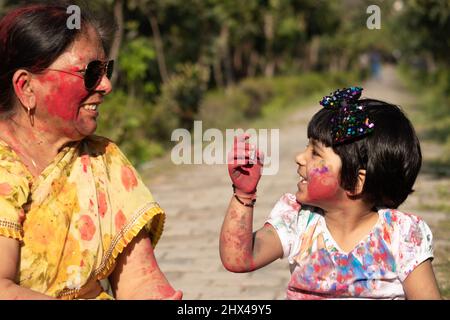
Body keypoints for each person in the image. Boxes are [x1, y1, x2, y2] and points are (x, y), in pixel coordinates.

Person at [0, 3, 181, 300]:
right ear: (26, 87)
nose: (106, 85)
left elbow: (139, 279)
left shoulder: (103, 160)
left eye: (105, 70)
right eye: (90, 73)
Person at [220, 86, 442, 299]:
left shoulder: (401, 236)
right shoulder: (298, 220)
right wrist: (243, 194)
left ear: (355, 182)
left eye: (315, 153)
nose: (300, 157)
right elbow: (239, 259)